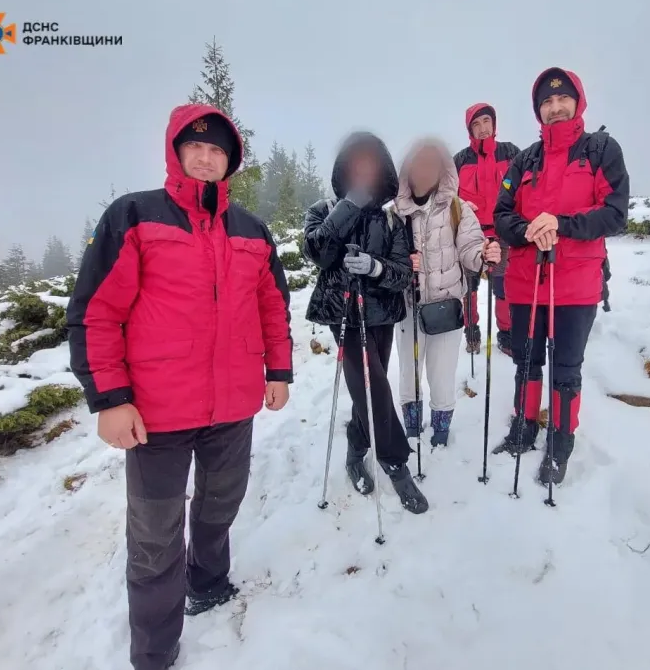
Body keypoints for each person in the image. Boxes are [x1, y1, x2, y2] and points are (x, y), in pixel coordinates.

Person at [66, 104, 293, 670]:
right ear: (176, 151)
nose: (206, 157)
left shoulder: (252, 230)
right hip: (156, 413)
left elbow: (272, 306)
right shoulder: (134, 216)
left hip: (232, 406)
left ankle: (208, 582)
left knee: (220, 506)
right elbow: (96, 312)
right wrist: (111, 399)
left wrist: (279, 371)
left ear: (230, 161)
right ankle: (154, 651)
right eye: (196, 146)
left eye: (217, 150)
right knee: (154, 538)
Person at [493, 67, 629, 486]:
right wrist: (528, 230)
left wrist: (562, 224)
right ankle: (524, 425)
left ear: (577, 101)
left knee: (566, 369)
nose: (555, 107)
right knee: (526, 361)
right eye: (547, 102)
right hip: (525, 283)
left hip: (576, 285)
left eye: (562, 99)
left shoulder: (601, 150)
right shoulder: (524, 159)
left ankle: (560, 439)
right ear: (538, 110)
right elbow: (502, 214)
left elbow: (615, 214)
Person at [302, 131, 429, 515]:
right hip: (343, 315)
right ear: (344, 168)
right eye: (356, 164)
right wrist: (348, 207)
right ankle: (395, 463)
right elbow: (318, 252)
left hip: (380, 315)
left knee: (368, 390)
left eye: (370, 165)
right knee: (373, 387)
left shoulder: (391, 220)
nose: (363, 171)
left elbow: (402, 273)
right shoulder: (324, 209)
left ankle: (356, 449)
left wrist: (374, 268)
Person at [393, 137, 501, 447]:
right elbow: (385, 256)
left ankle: (440, 435)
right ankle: (412, 431)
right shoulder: (394, 213)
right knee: (409, 375)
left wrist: (483, 254)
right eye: (419, 164)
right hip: (408, 308)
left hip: (446, 308)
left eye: (432, 165)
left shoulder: (458, 208)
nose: (425, 171)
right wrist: (401, 264)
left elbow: (469, 247)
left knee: (441, 377)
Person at [453, 103, 521, 355]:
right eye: (476, 124)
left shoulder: (510, 153)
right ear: (469, 129)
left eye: (486, 122)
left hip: (503, 233)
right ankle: (472, 333)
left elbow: (526, 186)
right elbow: (448, 196)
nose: (482, 128)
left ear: (494, 124)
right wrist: (461, 205)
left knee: (503, 287)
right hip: (471, 235)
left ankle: (506, 334)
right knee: (469, 289)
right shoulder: (460, 160)